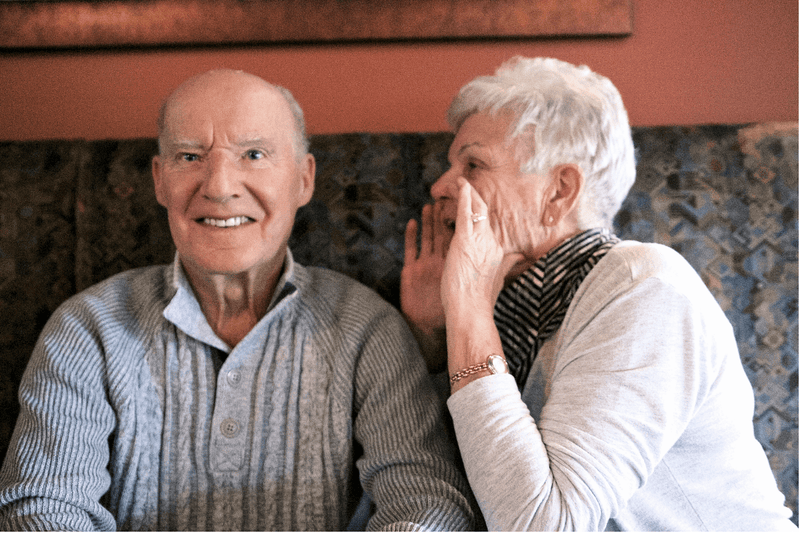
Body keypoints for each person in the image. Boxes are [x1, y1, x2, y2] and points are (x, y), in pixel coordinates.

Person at [0, 69, 478, 531]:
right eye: (190, 157)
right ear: (159, 179)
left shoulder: (367, 327)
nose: (220, 186)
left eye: (253, 154)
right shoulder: (87, 329)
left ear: (304, 179)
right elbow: (43, 507)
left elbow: (427, 502)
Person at [401, 56, 796, 531]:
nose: (441, 185)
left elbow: (541, 524)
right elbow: (460, 486)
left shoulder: (645, 289)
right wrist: (430, 334)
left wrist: (466, 306)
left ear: (558, 193)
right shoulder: (509, 305)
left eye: (474, 163)